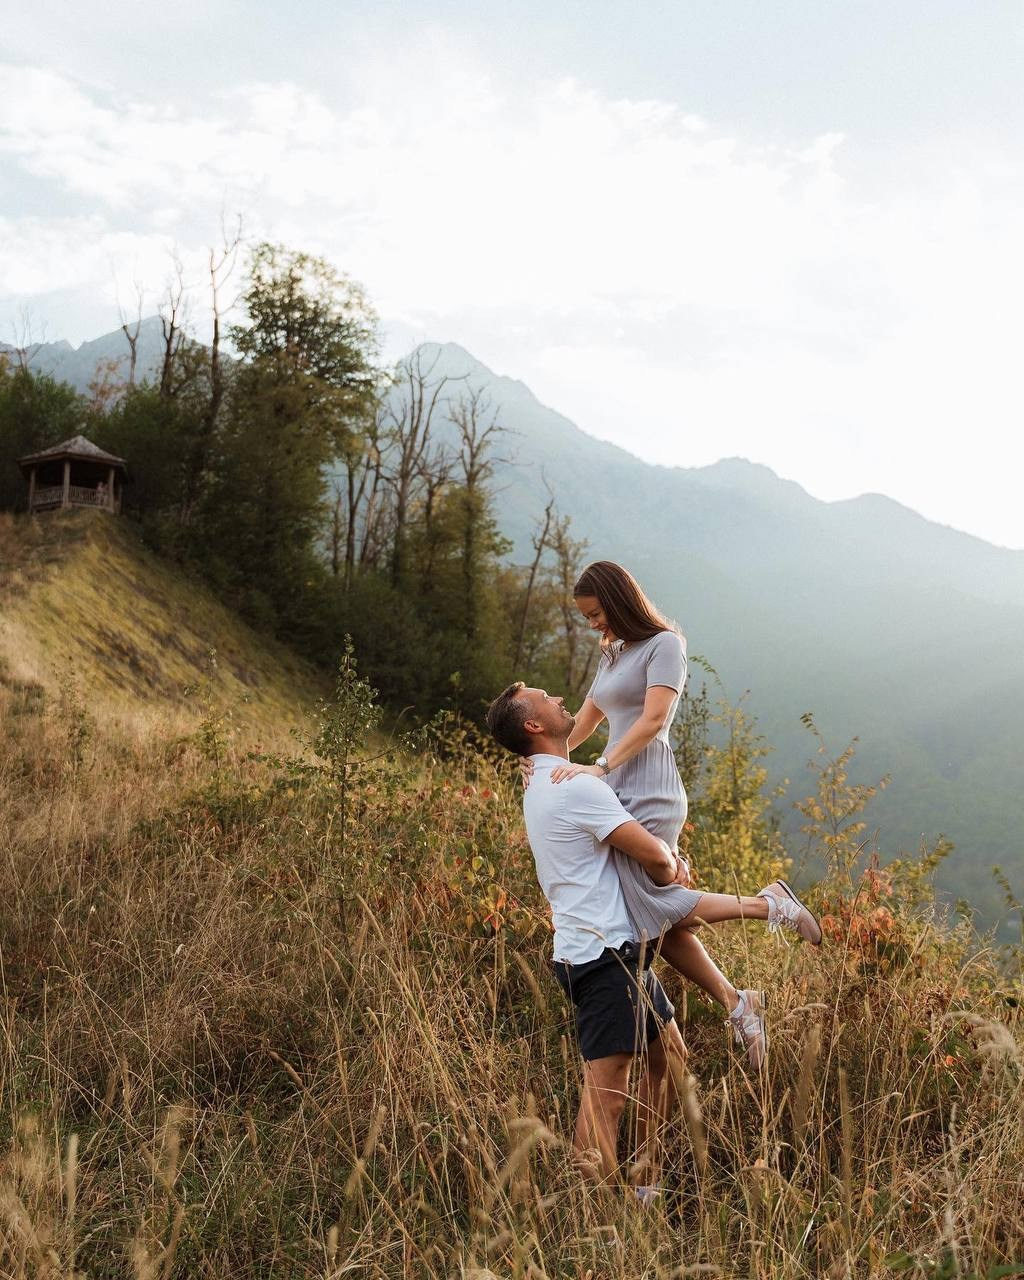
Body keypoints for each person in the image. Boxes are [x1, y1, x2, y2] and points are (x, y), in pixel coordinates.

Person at [521, 561, 821, 1067]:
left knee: (648, 908)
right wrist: (541, 761)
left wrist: (598, 767)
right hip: (612, 784)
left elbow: (654, 720)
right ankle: (739, 1003)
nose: (592, 625)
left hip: (649, 784)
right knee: (653, 921)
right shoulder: (613, 651)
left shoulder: (665, 646)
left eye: (595, 614)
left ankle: (769, 906)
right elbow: (583, 722)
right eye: (587, 617)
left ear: (618, 600)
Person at [486, 680, 688, 1192]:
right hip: (604, 956)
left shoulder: (541, 780)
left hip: (612, 952)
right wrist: (674, 868)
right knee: (606, 1099)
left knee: (669, 1058)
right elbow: (655, 855)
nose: (558, 698)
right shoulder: (575, 786)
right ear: (534, 724)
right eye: (545, 699)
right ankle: (596, 1219)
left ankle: (645, 1186)